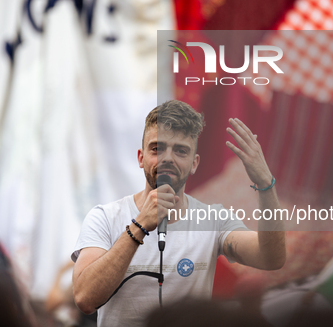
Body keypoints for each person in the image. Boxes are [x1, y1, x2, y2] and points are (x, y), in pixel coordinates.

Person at [71, 100, 286, 326]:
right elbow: (85, 299)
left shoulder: (213, 219)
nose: (168, 158)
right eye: (157, 148)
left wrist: (266, 184)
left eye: (180, 151)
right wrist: (139, 225)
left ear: (194, 164)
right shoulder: (105, 217)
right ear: (141, 158)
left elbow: (271, 258)